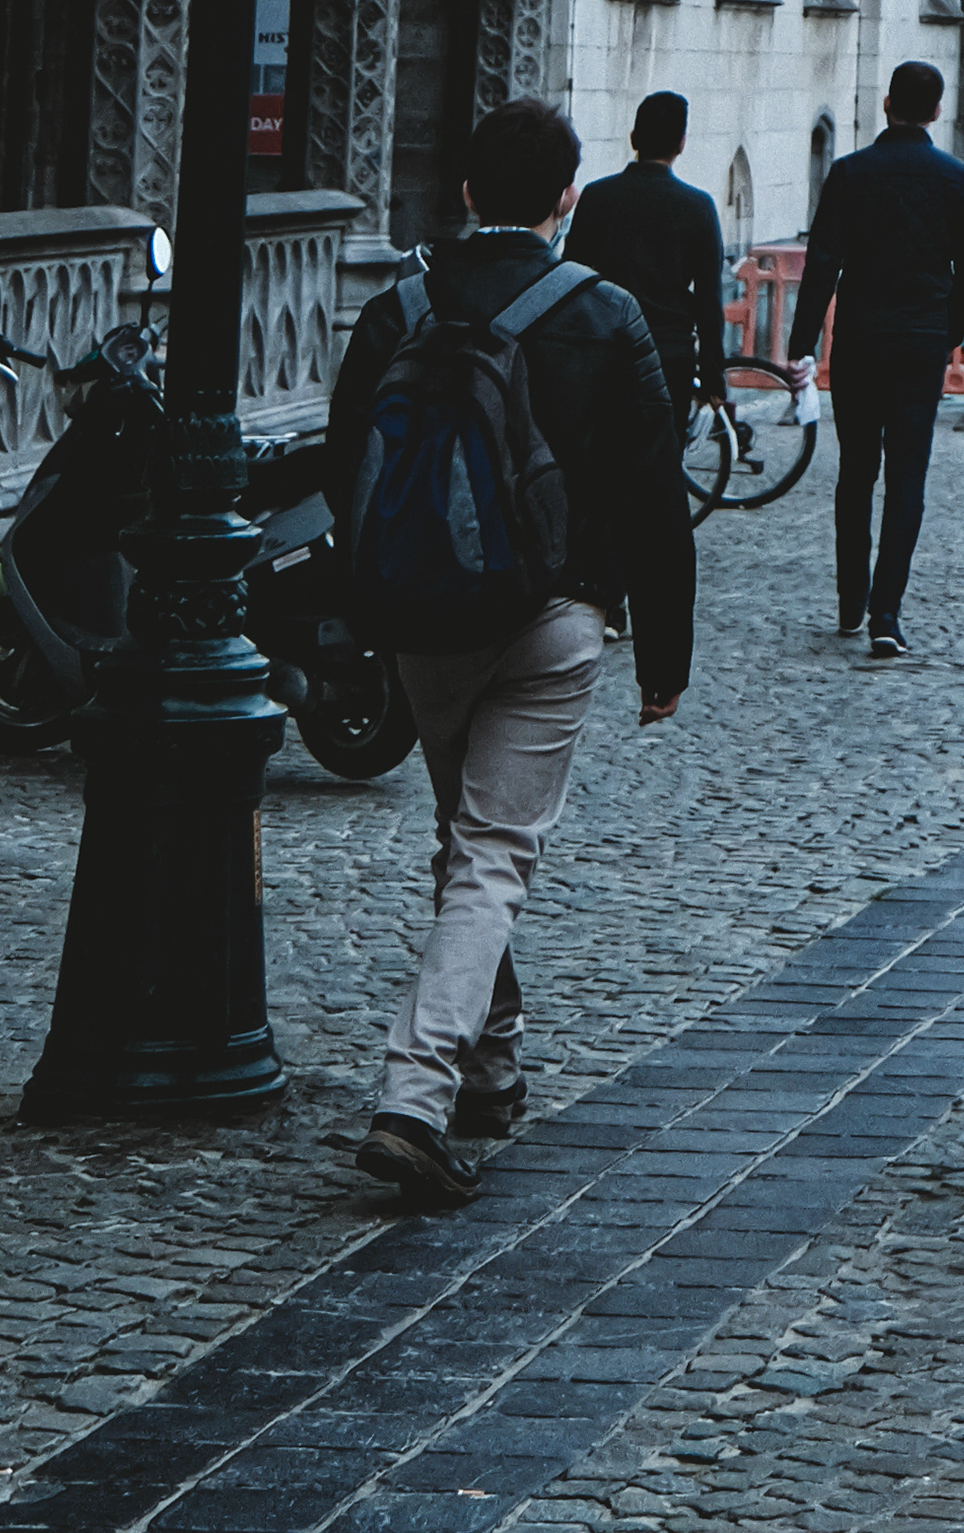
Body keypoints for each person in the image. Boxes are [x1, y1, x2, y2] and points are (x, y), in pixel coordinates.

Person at [325, 94, 693, 1213]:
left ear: (469, 192)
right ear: (567, 199)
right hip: (553, 618)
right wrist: (663, 651)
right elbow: (651, 495)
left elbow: (350, 472)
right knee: (491, 853)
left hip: (423, 623)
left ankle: (491, 1062)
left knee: (463, 837)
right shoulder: (607, 313)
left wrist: (362, 616)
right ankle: (414, 1098)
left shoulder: (397, 309)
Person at [788, 58, 964, 663]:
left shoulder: (852, 173)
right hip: (920, 341)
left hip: (860, 339)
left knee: (856, 470)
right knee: (907, 475)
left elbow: (823, 261)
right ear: (936, 110)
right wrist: (949, 328)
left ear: (886, 105)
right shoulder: (955, 178)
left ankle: (851, 598)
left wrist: (801, 344)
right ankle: (886, 611)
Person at [566, 87, 731, 430]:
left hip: (605, 348)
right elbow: (708, 300)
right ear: (681, 143)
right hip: (667, 353)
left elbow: (572, 277)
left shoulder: (597, 196)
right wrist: (714, 374)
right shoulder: (698, 207)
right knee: (662, 462)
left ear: (634, 138)